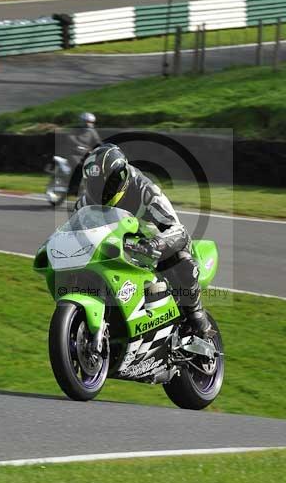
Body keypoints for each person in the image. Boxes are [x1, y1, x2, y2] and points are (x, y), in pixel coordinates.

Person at [75, 143, 213, 338]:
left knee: (182, 258)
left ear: (120, 177)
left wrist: (155, 243)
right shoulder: (85, 203)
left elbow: (177, 230)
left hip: (155, 247)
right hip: (116, 249)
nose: (100, 191)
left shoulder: (145, 191)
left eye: (105, 183)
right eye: (94, 184)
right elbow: (74, 233)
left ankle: (196, 316)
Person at [66, 112, 102, 194]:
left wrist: (103, 147)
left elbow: (98, 142)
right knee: (78, 167)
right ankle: (72, 188)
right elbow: (71, 138)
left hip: (86, 154)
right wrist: (79, 145)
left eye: (91, 122)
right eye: (87, 122)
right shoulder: (75, 130)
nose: (89, 124)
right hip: (73, 154)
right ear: (82, 121)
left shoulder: (92, 132)